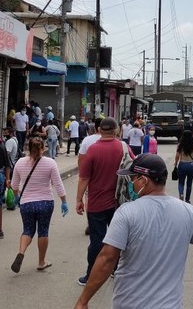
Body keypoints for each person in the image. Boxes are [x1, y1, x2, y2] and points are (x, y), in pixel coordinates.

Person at [73, 153, 193, 309]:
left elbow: (107, 258)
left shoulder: (127, 212)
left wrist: (83, 300)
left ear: (143, 181)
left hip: (129, 304)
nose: (131, 183)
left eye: (133, 178)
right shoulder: (189, 212)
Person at [75, 117, 134, 286]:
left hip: (96, 204)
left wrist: (79, 200)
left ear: (99, 130)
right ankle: (115, 270)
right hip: (119, 203)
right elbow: (134, 167)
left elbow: (84, 178)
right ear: (116, 130)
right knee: (118, 239)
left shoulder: (92, 150)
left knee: (96, 240)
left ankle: (90, 275)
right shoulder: (123, 147)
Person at [10, 136, 69, 273]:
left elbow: (14, 185)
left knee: (27, 230)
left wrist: (17, 197)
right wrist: (64, 201)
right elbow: (58, 184)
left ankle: (21, 252)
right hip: (45, 202)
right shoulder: (50, 163)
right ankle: (41, 262)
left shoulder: (20, 162)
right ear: (43, 148)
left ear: (28, 148)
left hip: (27, 203)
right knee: (43, 231)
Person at [174, 130, 193, 203]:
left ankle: (181, 194)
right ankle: (187, 199)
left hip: (182, 165)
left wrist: (175, 164)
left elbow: (177, 156)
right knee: (189, 183)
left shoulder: (180, 145)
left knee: (181, 182)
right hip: (191, 166)